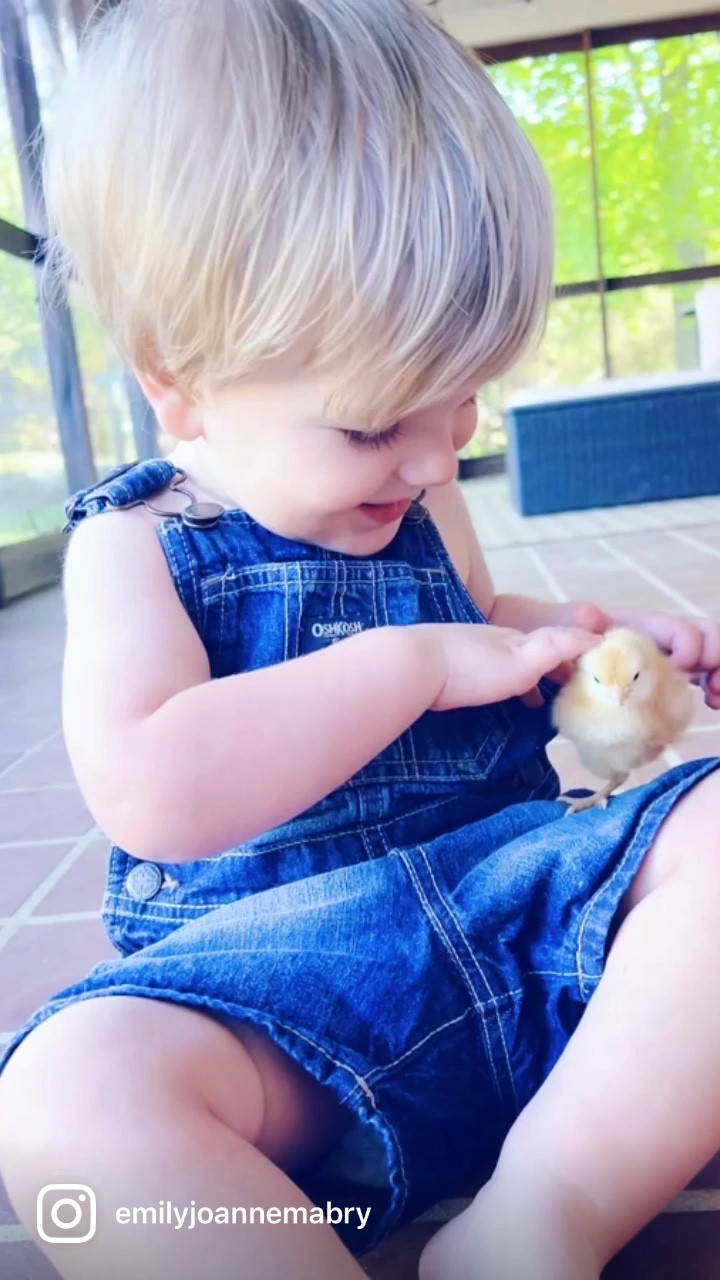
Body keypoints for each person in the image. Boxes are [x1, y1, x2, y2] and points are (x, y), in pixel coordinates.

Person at [1, 3, 720, 1278]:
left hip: (520, 898)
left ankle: (541, 1215)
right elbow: (156, 787)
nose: (443, 456)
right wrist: (416, 664)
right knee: (63, 1099)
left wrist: (582, 641)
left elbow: (486, 628)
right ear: (181, 375)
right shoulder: (138, 543)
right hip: (287, 994)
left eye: (464, 401)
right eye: (382, 420)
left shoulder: (424, 489)